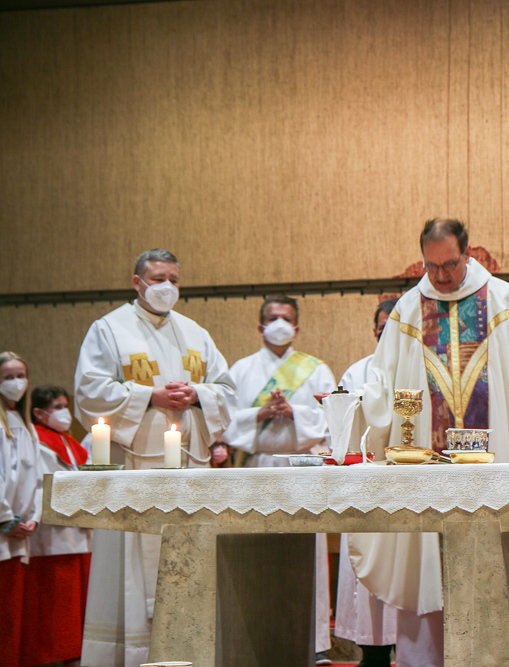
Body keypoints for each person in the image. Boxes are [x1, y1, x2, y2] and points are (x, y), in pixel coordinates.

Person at [343, 218, 509, 667]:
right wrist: (354, 404)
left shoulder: (503, 300)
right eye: (431, 266)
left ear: (467, 253)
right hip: (425, 471)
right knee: (428, 573)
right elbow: (381, 380)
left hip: (491, 471)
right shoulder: (408, 310)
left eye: (450, 265)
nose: (441, 276)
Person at [74, 248, 237, 667]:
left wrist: (198, 394)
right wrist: (151, 396)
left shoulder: (195, 332)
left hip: (191, 470)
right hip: (136, 470)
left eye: (174, 280)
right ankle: (134, 655)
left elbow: (227, 390)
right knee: (135, 567)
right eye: (159, 278)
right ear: (138, 282)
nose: (167, 287)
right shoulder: (109, 329)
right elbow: (89, 392)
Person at [225, 295, 337, 665]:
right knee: (255, 551)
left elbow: (331, 417)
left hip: (301, 469)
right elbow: (223, 420)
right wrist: (258, 414)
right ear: (260, 327)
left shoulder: (316, 370)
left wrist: (294, 413)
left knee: (307, 552)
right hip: (254, 469)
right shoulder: (240, 370)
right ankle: (252, 636)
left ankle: (315, 642)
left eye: (286, 319)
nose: (279, 324)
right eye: (272, 318)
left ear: (297, 327)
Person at [334, 298, 400, 667]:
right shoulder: (357, 372)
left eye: (394, 326)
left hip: (409, 484)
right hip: (365, 485)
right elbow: (341, 428)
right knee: (367, 563)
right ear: (374, 329)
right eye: (382, 326)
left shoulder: (420, 367)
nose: (386, 333)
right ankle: (372, 654)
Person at [25, 385, 93, 666]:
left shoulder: (69, 441)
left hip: (77, 529)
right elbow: (38, 483)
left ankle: (75, 653)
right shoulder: (34, 440)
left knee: (77, 599)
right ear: (39, 413)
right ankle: (52, 655)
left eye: (66, 406)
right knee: (55, 599)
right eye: (58, 408)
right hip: (52, 531)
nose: (65, 413)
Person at [0, 352, 42, 667]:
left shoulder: (27, 426)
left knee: (12, 618)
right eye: (8, 377)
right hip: (4, 530)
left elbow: (37, 479)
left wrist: (34, 518)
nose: (17, 383)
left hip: (21, 532)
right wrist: (5, 519)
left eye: (21, 376)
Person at [339, 298, 398, 392]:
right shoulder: (356, 373)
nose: (388, 333)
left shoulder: (416, 368)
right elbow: (344, 400)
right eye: (384, 327)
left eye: (394, 327)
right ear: (375, 332)